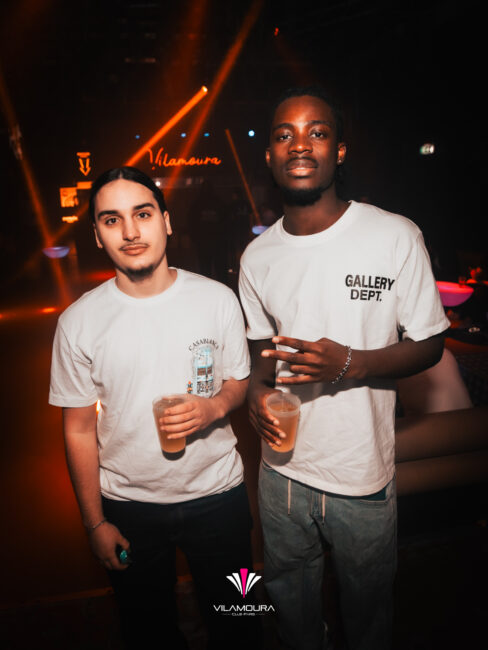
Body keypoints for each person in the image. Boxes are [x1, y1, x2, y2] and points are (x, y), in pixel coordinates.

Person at [238, 86, 450, 650]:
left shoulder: (393, 235)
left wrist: (352, 363)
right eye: (284, 134)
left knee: (369, 618)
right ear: (269, 155)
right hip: (280, 474)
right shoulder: (257, 256)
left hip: (361, 476)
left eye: (317, 132)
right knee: (292, 615)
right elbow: (261, 356)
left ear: (339, 151)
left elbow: (430, 343)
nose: (299, 144)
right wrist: (255, 393)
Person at [49, 167, 261, 649]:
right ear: (97, 235)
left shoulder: (218, 300)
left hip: (219, 499)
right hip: (128, 509)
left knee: (240, 620)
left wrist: (213, 408)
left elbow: (238, 382)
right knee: (147, 633)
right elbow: (78, 428)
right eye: (111, 220)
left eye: (142, 214)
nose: (130, 231)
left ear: (166, 221)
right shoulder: (78, 322)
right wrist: (95, 522)